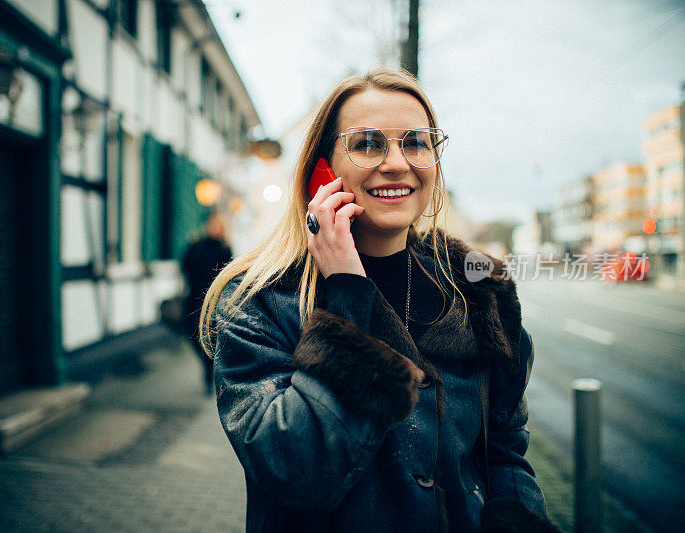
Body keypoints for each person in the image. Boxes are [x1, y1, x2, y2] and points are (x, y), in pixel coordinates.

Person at [199, 68, 556, 532]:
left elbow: (505, 451)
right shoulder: (263, 302)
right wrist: (347, 295)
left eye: (415, 142)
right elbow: (296, 470)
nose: (395, 162)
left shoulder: (480, 293)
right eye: (367, 143)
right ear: (322, 170)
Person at [181, 212, 233, 395]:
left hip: (213, 302)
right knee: (193, 335)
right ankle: (206, 364)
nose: (215, 227)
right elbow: (185, 265)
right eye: (213, 224)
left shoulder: (225, 248)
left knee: (210, 338)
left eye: (219, 224)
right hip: (193, 298)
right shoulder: (197, 245)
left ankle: (208, 370)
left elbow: (228, 275)